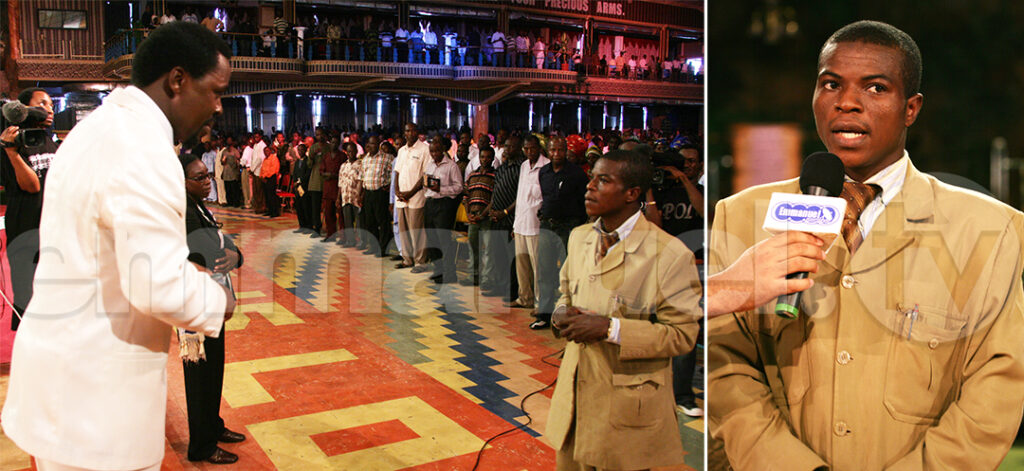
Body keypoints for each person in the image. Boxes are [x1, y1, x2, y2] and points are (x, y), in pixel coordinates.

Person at [708, 20, 1024, 471]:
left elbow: (998, 385)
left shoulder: (991, 228)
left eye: (876, 88)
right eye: (831, 84)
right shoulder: (740, 215)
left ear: (911, 108)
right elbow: (725, 367)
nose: (847, 102)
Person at [1, 21, 235, 471]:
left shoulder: (97, 128)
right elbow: (157, 285)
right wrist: (217, 298)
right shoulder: (142, 146)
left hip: (64, 382)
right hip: (96, 407)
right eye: (215, 91)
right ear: (178, 80)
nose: (218, 106)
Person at [547, 149, 701, 470]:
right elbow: (565, 293)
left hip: (627, 407)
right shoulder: (579, 238)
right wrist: (560, 314)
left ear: (632, 193)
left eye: (603, 180)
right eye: (592, 177)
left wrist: (610, 329)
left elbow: (682, 335)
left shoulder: (669, 254)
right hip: (576, 398)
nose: (590, 186)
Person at [179, 153, 245, 465]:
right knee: (199, 375)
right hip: (193, 306)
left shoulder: (198, 206)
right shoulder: (183, 213)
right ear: (182, 182)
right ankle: (201, 445)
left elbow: (223, 243)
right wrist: (229, 255)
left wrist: (236, 255)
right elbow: (208, 252)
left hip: (210, 302)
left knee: (214, 367)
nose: (207, 182)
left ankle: (213, 425)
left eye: (207, 175)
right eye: (199, 177)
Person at [0, 87, 57, 331]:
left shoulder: (46, 139)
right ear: (23, 109)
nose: (49, 109)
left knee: (52, 290)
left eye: (51, 104)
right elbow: (32, 186)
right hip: (25, 227)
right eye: (42, 104)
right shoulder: (10, 143)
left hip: (50, 225)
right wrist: (11, 152)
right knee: (28, 292)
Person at [531, 136, 588, 330]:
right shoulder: (544, 172)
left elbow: (584, 201)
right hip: (547, 226)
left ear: (566, 150)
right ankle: (544, 315)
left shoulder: (576, 173)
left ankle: (567, 316)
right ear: (548, 151)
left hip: (568, 227)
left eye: (560, 150)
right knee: (545, 272)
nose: (557, 154)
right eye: (553, 150)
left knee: (568, 272)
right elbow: (546, 197)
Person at [507, 134, 549, 310]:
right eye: (526, 149)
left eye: (533, 148)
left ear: (539, 148)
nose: (529, 151)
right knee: (522, 265)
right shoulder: (524, 166)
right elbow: (521, 196)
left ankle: (540, 301)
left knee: (538, 266)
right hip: (521, 223)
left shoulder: (546, 166)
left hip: (535, 225)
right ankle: (525, 297)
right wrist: (515, 224)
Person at [423, 140, 463, 283]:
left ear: (443, 150)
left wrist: (441, 189)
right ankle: (438, 270)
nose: (434, 154)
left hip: (444, 204)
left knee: (444, 240)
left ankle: (450, 273)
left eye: (436, 151)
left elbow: (459, 187)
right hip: (430, 203)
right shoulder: (430, 165)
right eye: (432, 151)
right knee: (432, 238)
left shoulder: (451, 166)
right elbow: (426, 182)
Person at [394, 123, 430, 268]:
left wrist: (410, 193)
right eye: (407, 131)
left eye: (412, 130)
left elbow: (425, 175)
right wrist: (396, 190)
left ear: (417, 132)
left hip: (415, 196)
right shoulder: (402, 150)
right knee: (403, 231)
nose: (409, 133)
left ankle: (420, 262)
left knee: (417, 232)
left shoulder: (424, 149)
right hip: (401, 197)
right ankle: (407, 259)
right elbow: (397, 172)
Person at [462, 145, 496, 287]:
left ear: (493, 159)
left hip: (487, 218)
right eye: (482, 157)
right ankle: (473, 277)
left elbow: (494, 199)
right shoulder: (472, 175)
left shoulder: (495, 176)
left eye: (488, 157)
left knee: (488, 250)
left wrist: (482, 214)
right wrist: (468, 213)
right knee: (473, 248)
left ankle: (487, 279)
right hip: (473, 217)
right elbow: (466, 196)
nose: (485, 160)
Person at [359, 135, 393, 253]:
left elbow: (393, 174)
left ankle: (383, 248)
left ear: (378, 145)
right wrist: (361, 194)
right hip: (368, 193)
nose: (371, 146)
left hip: (380, 193)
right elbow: (362, 177)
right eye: (370, 143)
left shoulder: (387, 158)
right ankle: (374, 246)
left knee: (383, 222)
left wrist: (388, 184)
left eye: (374, 144)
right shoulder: (365, 159)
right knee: (370, 222)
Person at [220, 135, 241, 207]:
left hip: (233, 173)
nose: (228, 142)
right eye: (227, 140)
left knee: (234, 189)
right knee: (227, 189)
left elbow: (238, 162)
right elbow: (221, 162)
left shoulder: (235, 151)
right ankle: (229, 202)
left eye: (230, 140)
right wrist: (223, 161)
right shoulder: (224, 151)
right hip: (226, 172)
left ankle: (236, 203)